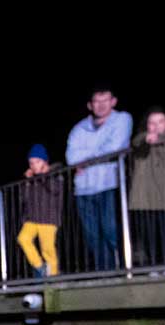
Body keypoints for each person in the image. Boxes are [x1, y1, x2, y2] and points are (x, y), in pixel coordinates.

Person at [66, 85, 133, 271]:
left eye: (106, 100)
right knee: (92, 236)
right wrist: (94, 156)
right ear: (90, 105)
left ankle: (125, 269)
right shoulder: (78, 128)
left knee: (111, 230)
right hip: (83, 189)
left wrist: (85, 159)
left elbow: (115, 147)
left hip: (109, 184)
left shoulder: (122, 119)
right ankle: (105, 273)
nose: (101, 105)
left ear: (113, 102)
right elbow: (71, 158)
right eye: (97, 101)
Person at [128, 107, 165, 273]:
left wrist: (158, 143)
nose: (155, 126)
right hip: (145, 198)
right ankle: (154, 265)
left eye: (160, 122)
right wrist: (147, 140)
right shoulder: (142, 141)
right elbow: (136, 144)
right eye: (151, 123)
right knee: (149, 235)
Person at [17, 145, 64, 277]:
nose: (34, 165)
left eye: (37, 161)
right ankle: (40, 266)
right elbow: (24, 198)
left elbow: (55, 189)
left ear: (45, 161)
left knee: (47, 248)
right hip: (32, 218)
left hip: (48, 217)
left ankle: (53, 275)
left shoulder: (56, 174)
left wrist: (44, 175)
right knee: (23, 238)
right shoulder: (31, 178)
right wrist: (27, 181)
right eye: (31, 163)